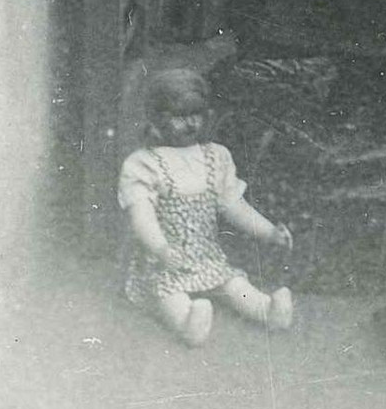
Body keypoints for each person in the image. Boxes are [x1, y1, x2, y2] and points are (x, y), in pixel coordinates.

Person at [118, 69, 294, 346]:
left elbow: (234, 205)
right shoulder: (143, 164)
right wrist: (161, 249)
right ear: (158, 118)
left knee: (233, 284)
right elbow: (142, 217)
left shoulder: (215, 156)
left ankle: (266, 309)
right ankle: (187, 321)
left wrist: (269, 232)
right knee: (168, 293)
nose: (190, 124)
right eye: (179, 117)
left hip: (206, 254)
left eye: (196, 115)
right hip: (164, 259)